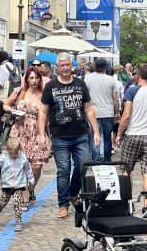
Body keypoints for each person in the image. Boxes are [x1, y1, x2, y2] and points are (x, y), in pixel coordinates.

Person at [38, 52, 101, 219]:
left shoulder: (80, 84)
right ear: (57, 68)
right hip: (60, 136)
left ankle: (73, 194)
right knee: (63, 171)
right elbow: (43, 111)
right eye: (62, 66)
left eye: (67, 65)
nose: (65, 68)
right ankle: (63, 204)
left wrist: (95, 131)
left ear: (71, 66)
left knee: (82, 168)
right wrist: (41, 134)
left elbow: (88, 108)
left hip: (81, 134)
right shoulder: (51, 86)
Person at [115, 63, 147, 218]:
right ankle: (146, 207)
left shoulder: (132, 91)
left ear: (138, 75)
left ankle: (127, 204)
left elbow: (126, 116)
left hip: (133, 135)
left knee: (126, 170)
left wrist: (119, 133)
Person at [3, 66, 50, 209]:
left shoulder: (44, 94)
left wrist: (48, 135)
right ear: (27, 79)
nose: (34, 80)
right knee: (21, 165)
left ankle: (31, 187)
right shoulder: (19, 92)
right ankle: (24, 196)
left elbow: (48, 115)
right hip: (19, 131)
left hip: (37, 131)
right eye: (31, 78)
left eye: (37, 78)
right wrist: (12, 110)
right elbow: (5, 105)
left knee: (36, 166)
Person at [0, 137, 35, 232]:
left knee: (17, 202)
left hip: (19, 185)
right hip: (7, 185)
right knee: (1, 203)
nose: (13, 156)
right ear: (7, 150)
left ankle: (18, 221)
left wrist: (31, 179)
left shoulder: (23, 158)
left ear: (19, 150)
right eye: (11, 153)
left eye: (16, 153)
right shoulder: (4, 157)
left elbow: (28, 170)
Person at [85, 59, 120, 162]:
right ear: (106, 67)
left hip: (93, 112)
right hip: (108, 112)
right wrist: (117, 112)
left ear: (95, 67)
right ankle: (107, 159)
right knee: (107, 138)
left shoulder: (88, 79)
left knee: (94, 137)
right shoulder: (111, 80)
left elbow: (85, 96)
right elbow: (115, 98)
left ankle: (95, 160)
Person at [0, 50, 13, 139]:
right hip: (12, 96)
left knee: (0, 118)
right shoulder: (13, 67)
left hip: (4, 97)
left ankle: (0, 139)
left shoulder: (2, 67)